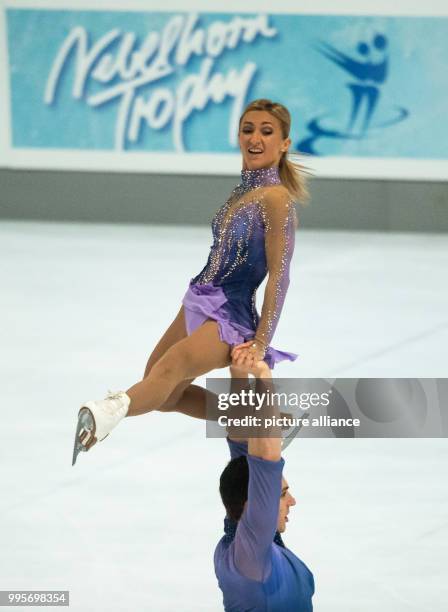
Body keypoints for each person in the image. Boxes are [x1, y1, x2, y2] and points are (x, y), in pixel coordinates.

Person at [72, 98, 311, 465]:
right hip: (199, 299)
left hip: (229, 316)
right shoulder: (242, 192)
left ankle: (107, 411)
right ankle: (270, 422)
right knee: (162, 391)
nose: (255, 138)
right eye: (248, 130)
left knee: (169, 372)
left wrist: (261, 343)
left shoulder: (277, 199)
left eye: (267, 131)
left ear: (284, 143)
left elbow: (280, 275)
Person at [216, 363, 315, 611]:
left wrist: (238, 370)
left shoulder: (244, 541)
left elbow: (240, 434)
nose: (292, 501)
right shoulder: (251, 557)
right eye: (281, 494)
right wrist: (262, 374)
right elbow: (267, 458)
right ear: (254, 505)